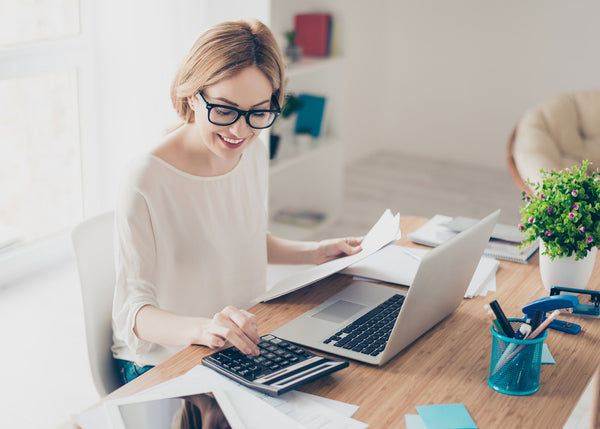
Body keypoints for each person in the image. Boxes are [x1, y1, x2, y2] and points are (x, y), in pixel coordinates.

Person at [111, 20, 362, 383]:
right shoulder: (146, 178)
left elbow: (242, 240)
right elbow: (132, 313)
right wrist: (203, 329)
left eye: (259, 112)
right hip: (166, 362)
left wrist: (316, 251)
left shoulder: (252, 153)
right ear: (192, 94)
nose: (240, 131)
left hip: (240, 348)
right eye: (225, 110)